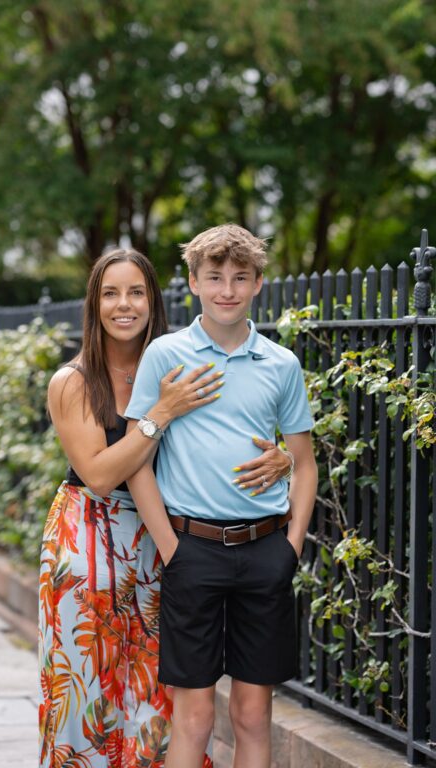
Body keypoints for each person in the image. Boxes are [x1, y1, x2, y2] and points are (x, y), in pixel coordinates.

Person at [39, 248, 292, 768]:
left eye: (136, 292)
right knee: (87, 692)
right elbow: (102, 475)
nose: (124, 305)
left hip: (162, 540)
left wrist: (283, 459)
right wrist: (161, 412)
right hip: (91, 541)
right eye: (111, 293)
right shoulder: (73, 381)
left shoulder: (180, 360)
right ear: (94, 303)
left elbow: (231, 436)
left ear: (154, 301)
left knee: (158, 699)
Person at [124, 224, 317, 768]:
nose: (227, 290)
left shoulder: (281, 365)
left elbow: (304, 465)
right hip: (192, 550)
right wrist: (170, 548)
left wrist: (291, 548)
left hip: (265, 552)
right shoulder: (166, 355)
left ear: (258, 283)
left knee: (253, 716)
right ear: (193, 283)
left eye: (239, 278)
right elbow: (139, 459)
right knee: (195, 717)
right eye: (215, 278)